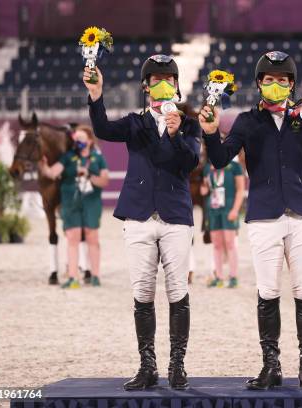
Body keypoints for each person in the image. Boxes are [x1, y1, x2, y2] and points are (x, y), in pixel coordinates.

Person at [199, 50, 302, 390]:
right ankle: (271, 365)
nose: (275, 85)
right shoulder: (247, 121)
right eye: (269, 80)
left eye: (282, 80)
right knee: (268, 291)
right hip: (263, 216)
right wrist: (209, 131)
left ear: (291, 84)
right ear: (259, 84)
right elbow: (219, 159)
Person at [82, 54, 200, 390]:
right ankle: (147, 365)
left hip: (176, 217)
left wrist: (176, 133)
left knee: (178, 292)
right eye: (156, 79)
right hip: (137, 216)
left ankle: (177, 365)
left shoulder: (189, 125)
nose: (163, 83)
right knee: (143, 294)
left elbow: (190, 162)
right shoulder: (135, 123)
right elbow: (103, 129)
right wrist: (96, 95)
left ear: (177, 86)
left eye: (169, 78)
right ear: (146, 87)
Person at [38, 125, 109, 288]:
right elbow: (52, 173)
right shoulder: (67, 157)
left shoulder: (98, 158)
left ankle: (95, 275)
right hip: (70, 201)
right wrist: (43, 166)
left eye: (81, 139)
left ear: (90, 141)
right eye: (75, 140)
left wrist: (90, 176)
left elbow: (105, 180)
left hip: (91, 201)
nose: (77, 142)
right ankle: (73, 277)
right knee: (72, 238)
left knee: (92, 237)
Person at [200, 157, 245, 288]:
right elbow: (206, 187)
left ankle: (233, 276)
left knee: (230, 244)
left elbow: (241, 189)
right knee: (217, 245)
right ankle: (219, 277)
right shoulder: (208, 167)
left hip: (229, 208)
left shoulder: (234, 166)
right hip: (213, 209)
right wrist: (204, 189)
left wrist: (236, 209)